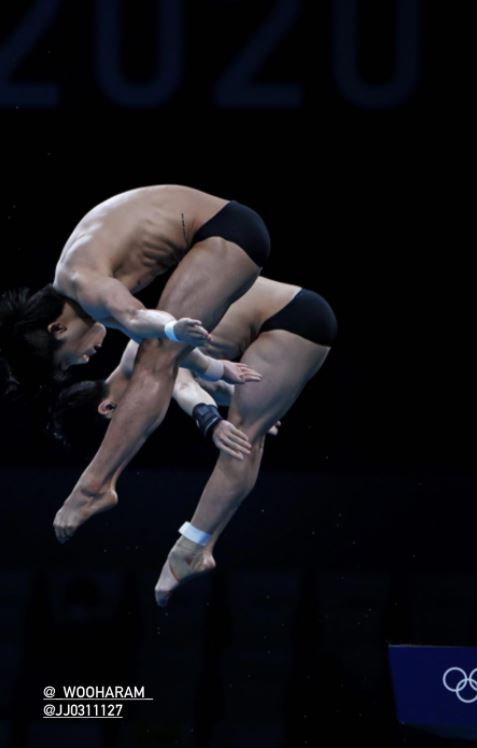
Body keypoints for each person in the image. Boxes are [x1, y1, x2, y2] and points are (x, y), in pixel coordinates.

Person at [0, 185, 270, 536]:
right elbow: (149, 336)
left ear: (57, 328)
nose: (84, 360)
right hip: (228, 233)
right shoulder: (81, 290)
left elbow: (138, 317)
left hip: (227, 234)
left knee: (157, 355)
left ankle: (94, 485)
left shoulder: (84, 284)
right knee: (158, 352)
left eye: (67, 362)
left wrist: (171, 329)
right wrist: (218, 370)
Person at [51, 276, 338, 605]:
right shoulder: (148, 377)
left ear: (107, 408)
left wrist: (211, 421)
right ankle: (199, 545)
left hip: (288, 316)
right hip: (296, 320)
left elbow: (184, 386)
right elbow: (219, 384)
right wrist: (260, 406)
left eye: (118, 433)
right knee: (246, 437)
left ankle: (192, 547)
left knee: (241, 439)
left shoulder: (137, 355)